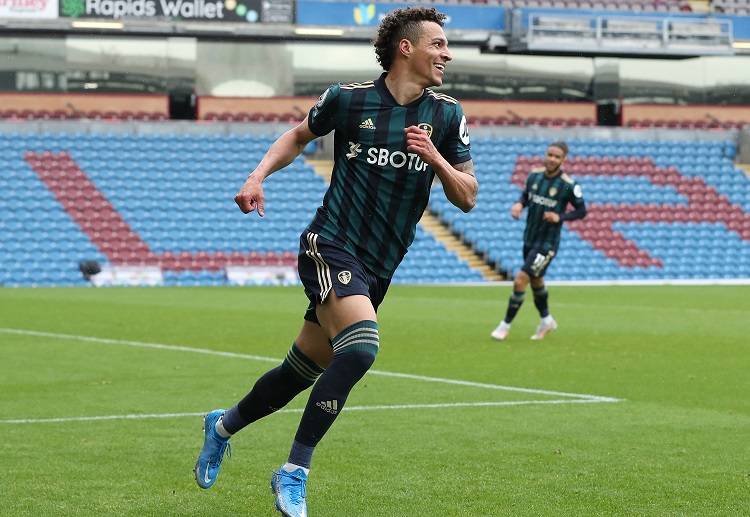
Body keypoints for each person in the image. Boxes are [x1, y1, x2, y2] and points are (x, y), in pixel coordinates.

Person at [193, 7, 477, 517]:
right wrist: (257, 177)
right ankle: (294, 470)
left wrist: (435, 159)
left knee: (298, 372)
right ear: (406, 48)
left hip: (380, 265)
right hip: (330, 243)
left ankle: (222, 426)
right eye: (437, 44)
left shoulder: (447, 115)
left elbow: (468, 196)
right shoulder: (348, 99)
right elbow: (297, 137)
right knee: (362, 349)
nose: (447, 54)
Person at [490, 141, 586, 342]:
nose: (552, 159)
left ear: (563, 160)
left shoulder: (568, 185)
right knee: (536, 280)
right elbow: (526, 196)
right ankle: (547, 320)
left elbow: (581, 211)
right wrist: (519, 204)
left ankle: (504, 325)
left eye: (557, 157)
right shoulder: (534, 176)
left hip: (547, 243)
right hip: (529, 238)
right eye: (550, 154)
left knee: (520, 280)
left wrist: (560, 217)